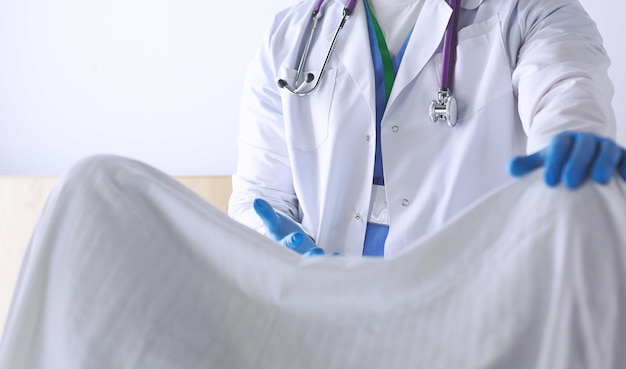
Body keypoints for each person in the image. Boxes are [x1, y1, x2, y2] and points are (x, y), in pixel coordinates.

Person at [227, 0, 626, 257]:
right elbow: (258, 198)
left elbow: (565, 83)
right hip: (324, 317)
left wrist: (574, 137)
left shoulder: (532, 11)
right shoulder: (292, 34)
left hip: (474, 315)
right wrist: (280, 251)